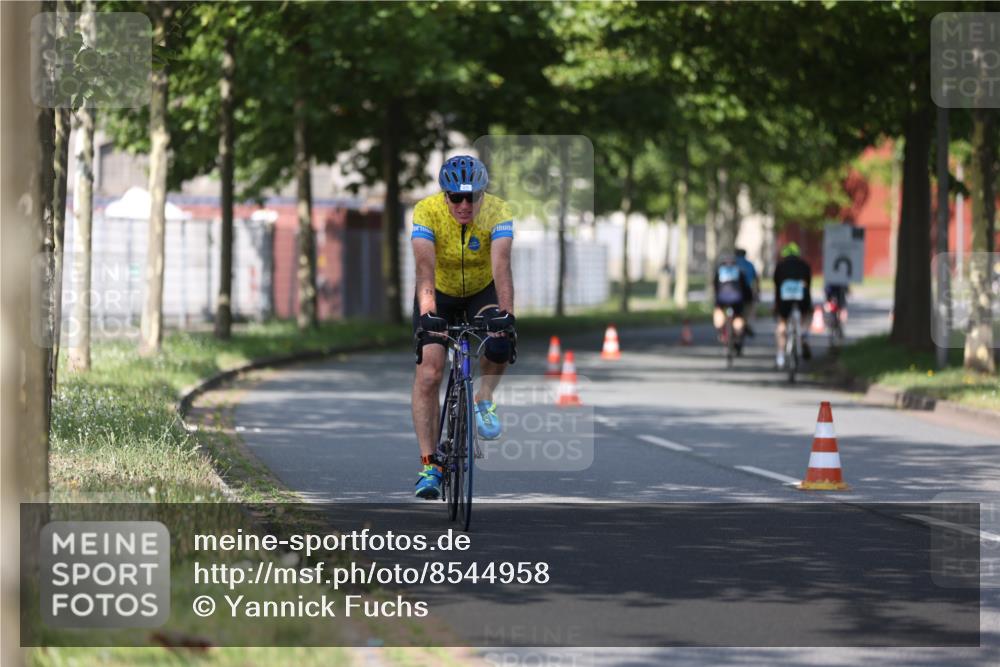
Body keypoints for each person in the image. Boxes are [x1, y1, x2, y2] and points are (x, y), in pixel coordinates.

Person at [410, 155, 516, 500]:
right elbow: (424, 269)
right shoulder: (426, 212)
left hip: (481, 291)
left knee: (500, 342)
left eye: (473, 197)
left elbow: (501, 265)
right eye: (456, 197)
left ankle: (483, 398)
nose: (465, 204)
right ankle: (430, 464)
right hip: (438, 292)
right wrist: (428, 314)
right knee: (430, 371)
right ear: (445, 196)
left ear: (484, 194)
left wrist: (507, 314)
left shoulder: (498, 211)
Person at [773, 242, 813, 369]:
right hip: (802, 298)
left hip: (784, 299)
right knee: (806, 315)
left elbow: (777, 286)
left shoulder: (780, 266)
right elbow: (808, 285)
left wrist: (776, 304)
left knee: (782, 323)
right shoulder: (805, 265)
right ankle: (804, 334)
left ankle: (780, 355)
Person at [713, 254, 753, 354]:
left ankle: (721, 333)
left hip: (722, 301)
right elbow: (746, 289)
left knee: (718, 312)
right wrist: (749, 300)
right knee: (739, 317)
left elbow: (715, 287)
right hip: (737, 301)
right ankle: (738, 337)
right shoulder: (740, 272)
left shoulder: (719, 272)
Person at [734, 248, 759, 336]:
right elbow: (755, 280)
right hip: (746, 292)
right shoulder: (749, 265)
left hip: (730, 292)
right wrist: (757, 293)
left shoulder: (731, 264)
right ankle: (744, 323)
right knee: (747, 309)